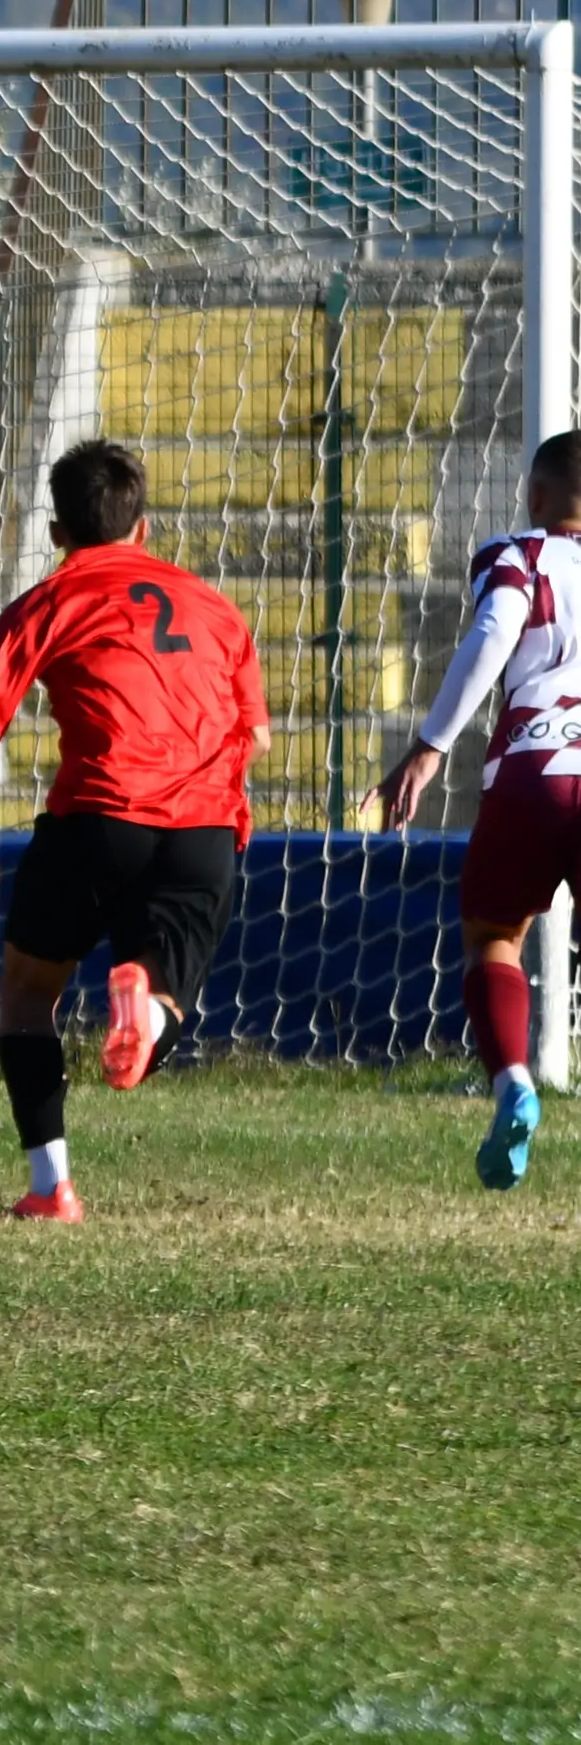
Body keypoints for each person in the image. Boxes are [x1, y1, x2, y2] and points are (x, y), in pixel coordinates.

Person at [0, 437, 268, 1222]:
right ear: (146, 527)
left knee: (27, 995)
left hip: (97, 818)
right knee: (166, 995)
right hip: (203, 829)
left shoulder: (44, 602)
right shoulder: (217, 610)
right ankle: (148, 1007)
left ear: (57, 533)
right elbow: (255, 737)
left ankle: (50, 1186)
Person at [372, 427, 581, 1193]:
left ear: (537, 496)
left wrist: (430, 746)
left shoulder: (520, 554)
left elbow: (495, 630)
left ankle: (513, 1085)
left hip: (535, 768)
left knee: (494, 937)